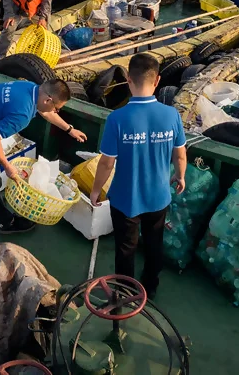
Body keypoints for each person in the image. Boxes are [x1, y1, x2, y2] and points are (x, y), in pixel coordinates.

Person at [90, 52, 186, 298]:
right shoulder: (171, 115)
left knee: (125, 248)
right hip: (158, 197)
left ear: (128, 81)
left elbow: (106, 163)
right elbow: (180, 154)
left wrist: (95, 189)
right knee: (154, 244)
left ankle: (125, 291)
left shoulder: (117, 118)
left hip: (126, 199)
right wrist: (180, 175)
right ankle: (150, 288)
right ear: (157, 81)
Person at [0, 78, 85, 234]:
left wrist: (69, 129)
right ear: (48, 100)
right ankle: (7, 222)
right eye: (57, 108)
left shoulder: (31, 88)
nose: (56, 112)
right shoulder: (22, 114)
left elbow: (46, 111)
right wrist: (7, 166)